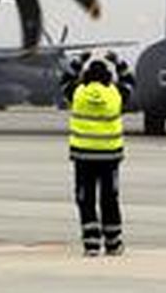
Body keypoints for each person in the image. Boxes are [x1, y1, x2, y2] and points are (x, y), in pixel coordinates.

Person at [62, 51, 135, 256]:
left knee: (85, 199)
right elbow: (130, 80)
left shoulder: (78, 94)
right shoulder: (116, 94)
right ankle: (114, 243)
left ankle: (91, 243)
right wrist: (118, 60)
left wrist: (80, 59)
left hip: (83, 157)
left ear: (85, 77)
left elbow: (65, 79)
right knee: (109, 199)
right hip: (110, 157)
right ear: (108, 77)